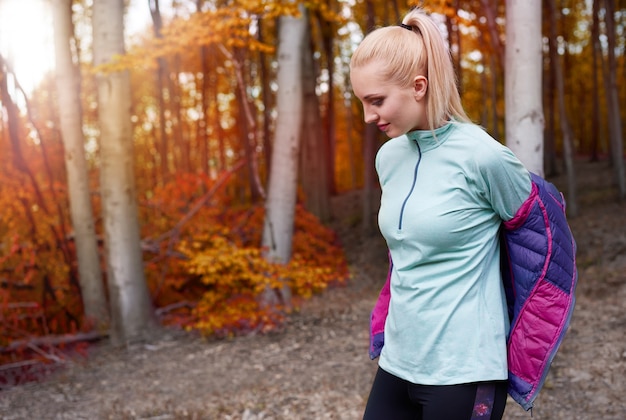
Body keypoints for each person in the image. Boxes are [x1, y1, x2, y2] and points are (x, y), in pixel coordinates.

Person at [349, 7, 533, 420]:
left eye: (376, 101)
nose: (368, 116)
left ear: (419, 86)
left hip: (464, 368)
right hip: (398, 360)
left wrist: (525, 336)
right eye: (362, 102)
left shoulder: (483, 156)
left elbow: (537, 239)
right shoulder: (388, 157)